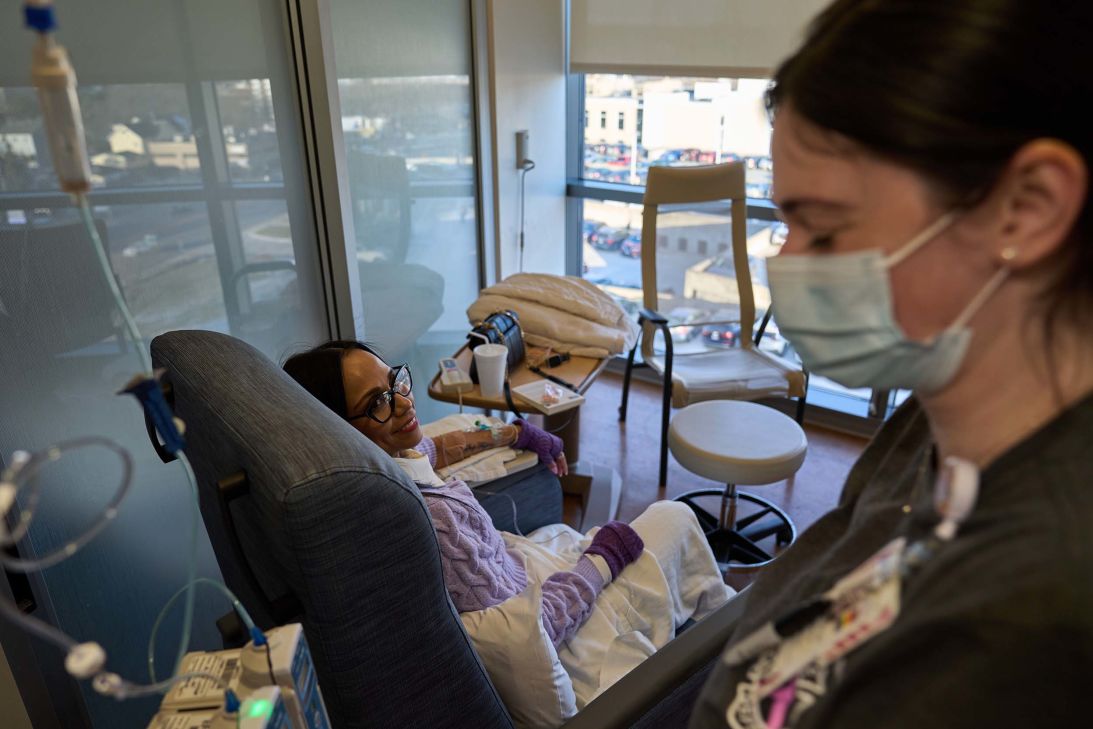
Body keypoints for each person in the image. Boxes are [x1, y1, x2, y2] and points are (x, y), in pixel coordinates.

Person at [690, 1, 1093, 728]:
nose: (788, 263)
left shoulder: (1023, 629)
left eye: (824, 224)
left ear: (1026, 208)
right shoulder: (941, 414)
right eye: (784, 220)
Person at [283, 340, 732, 704]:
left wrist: (515, 432)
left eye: (395, 381)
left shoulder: (389, 464)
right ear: (336, 429)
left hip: (522, 573)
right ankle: (724, 650)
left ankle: (718, 635)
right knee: (676, 515)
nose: (402, 403)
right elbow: (539, 629)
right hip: (564, 627)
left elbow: (440, 447)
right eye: (378, 401)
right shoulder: (436, 523)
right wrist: (604, 559)